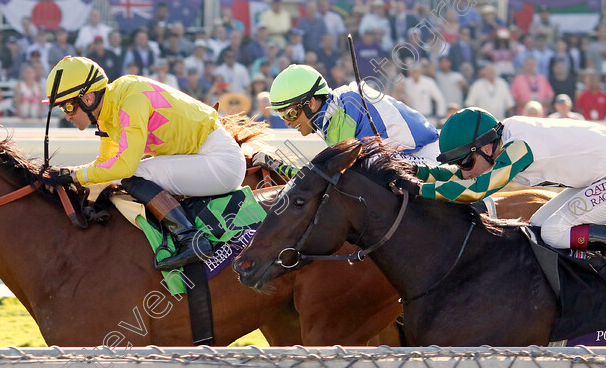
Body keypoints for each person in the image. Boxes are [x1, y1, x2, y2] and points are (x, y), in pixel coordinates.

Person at [44, 56, 246, 270]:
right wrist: (69, 173)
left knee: (131, 174)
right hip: (201, 158)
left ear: (88, 98)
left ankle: (190, 239)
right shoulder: (109, 109)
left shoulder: (130, 99)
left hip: (220, 162)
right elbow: (105, 163)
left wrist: (76, 176)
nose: (66, 116)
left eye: (67, 107)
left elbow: (124, 166)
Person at [401, 107, 606, 255]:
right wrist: (411, 170)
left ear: (487, 147)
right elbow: (455, 176)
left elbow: (476, 191)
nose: (463, 171)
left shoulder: (519, 146)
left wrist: (418, 190)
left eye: (465, 163)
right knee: (538, 228)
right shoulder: (500, 142)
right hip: (605, 175)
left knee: (553, 232)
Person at [252, 64, 440, 179]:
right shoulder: (331, 116)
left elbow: (330, 175)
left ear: (311, 103)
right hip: (404, 158)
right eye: (282, 115)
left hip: (429, 159)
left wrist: (279, 167)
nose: (287, 122)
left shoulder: (349, 107)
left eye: (291, 114)